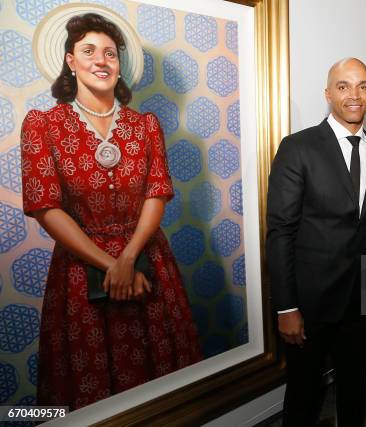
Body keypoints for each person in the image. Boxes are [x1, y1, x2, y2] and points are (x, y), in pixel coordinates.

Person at [21, 10, 201, 409]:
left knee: (163, 387)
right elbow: (45, 207)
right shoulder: (43, 125)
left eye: (110, 53)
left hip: (147, 261)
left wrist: (129, 259)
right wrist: (110, 265)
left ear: (119, 64)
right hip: (79, 270)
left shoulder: (145, 125)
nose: (101, 60)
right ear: (71, 60)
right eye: (89, 51)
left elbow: (156, 193)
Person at [266, 58, 366, 427]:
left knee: (354, 394)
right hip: (310, 303)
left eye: (363, 86)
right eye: (343, 86)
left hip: (362, 300)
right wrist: (286, 307)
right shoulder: (298, 147)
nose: (354, 95)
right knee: (304, 395)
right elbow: (280, 232)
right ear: (328, 94)